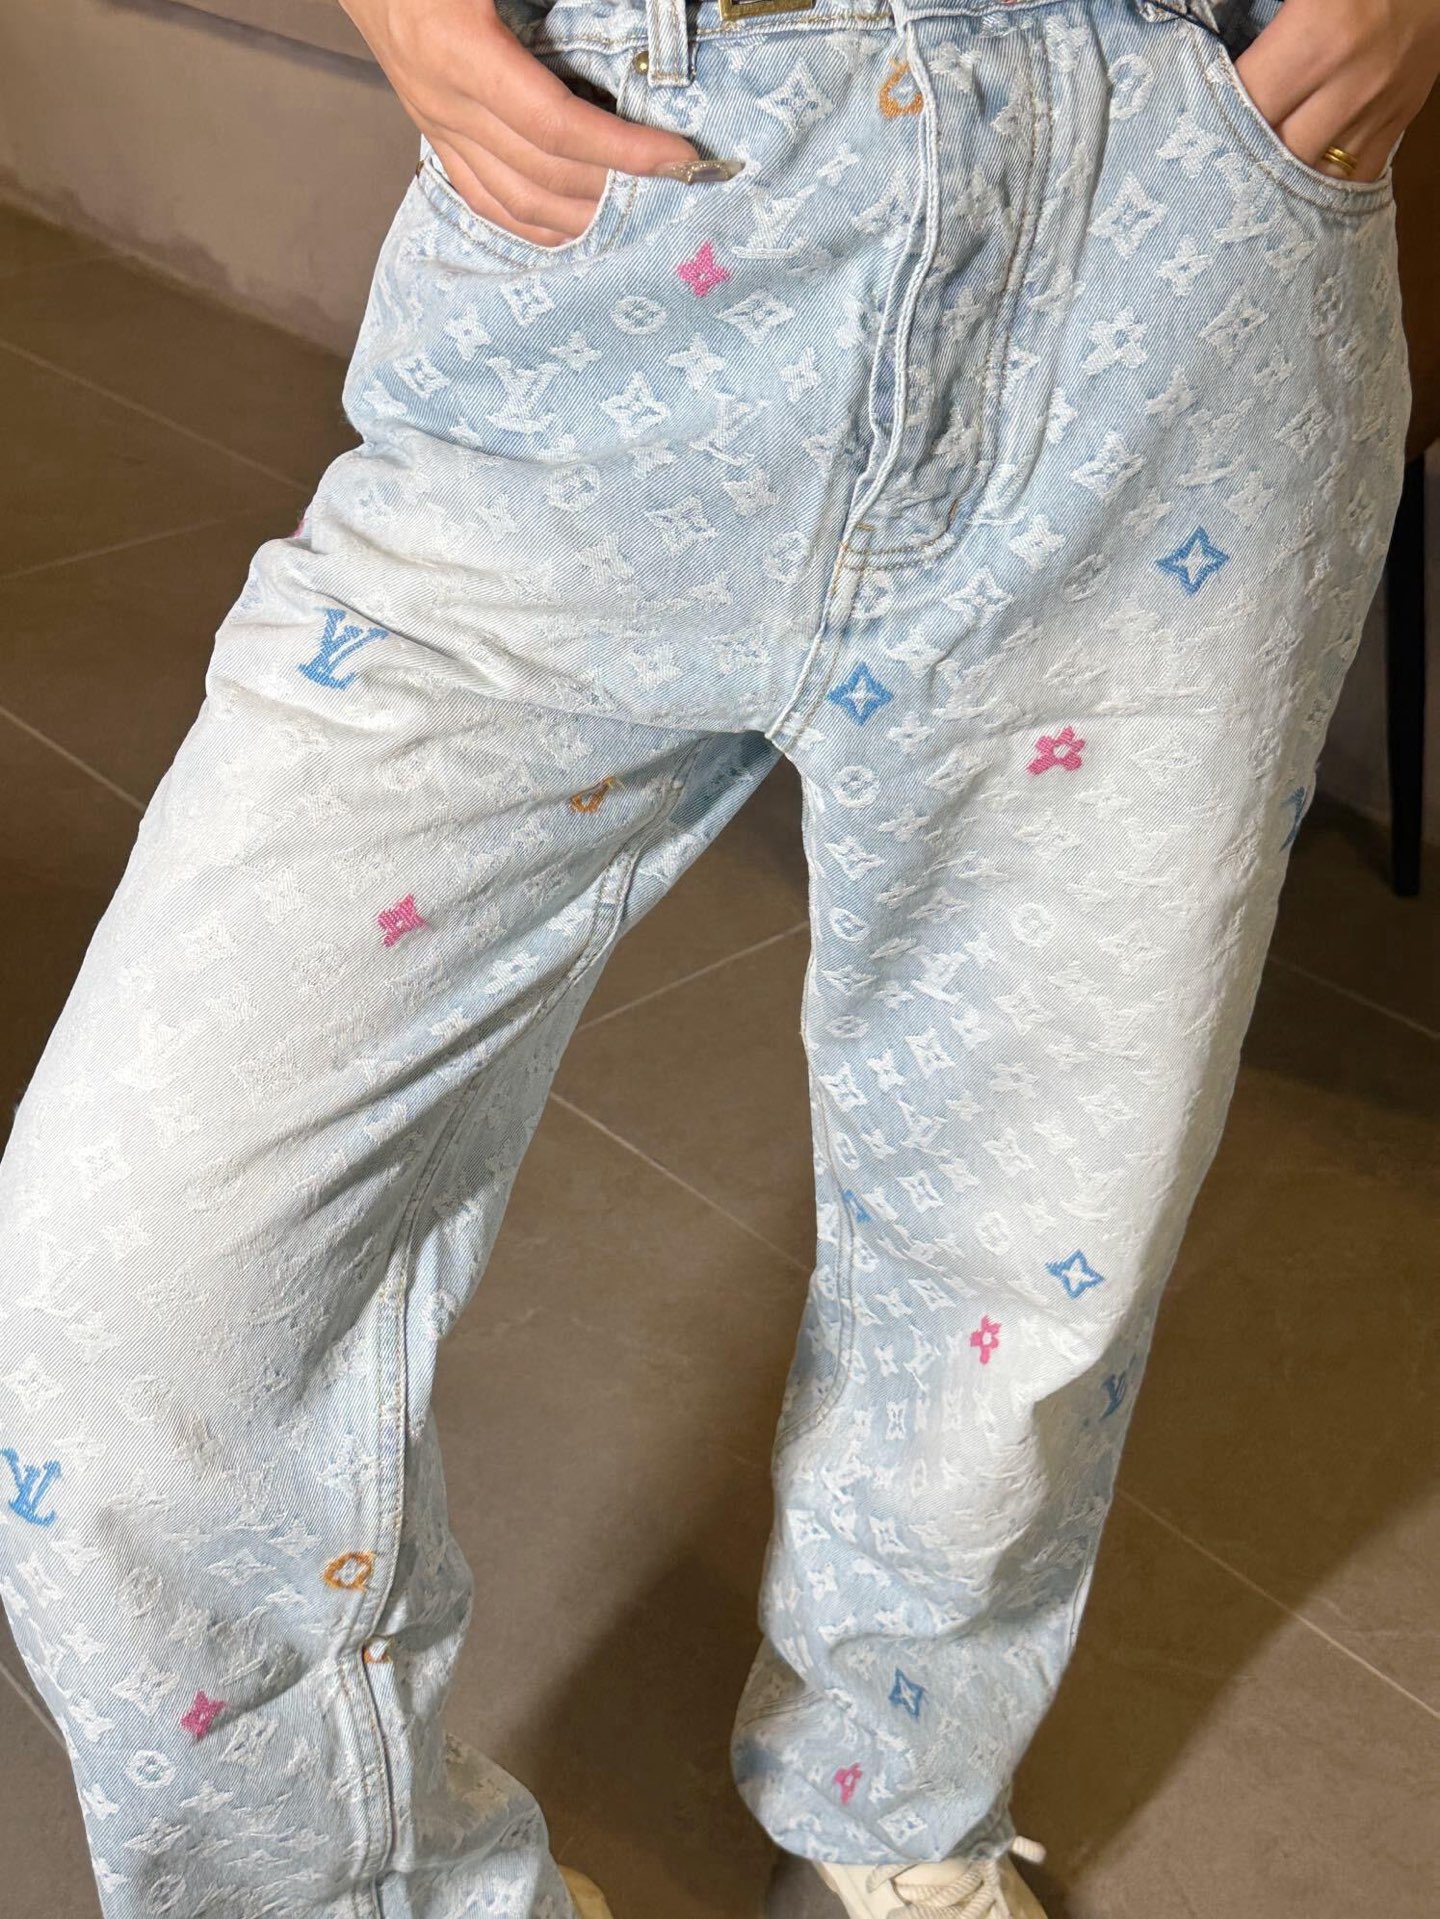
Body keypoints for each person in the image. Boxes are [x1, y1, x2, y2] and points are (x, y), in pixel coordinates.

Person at [0, 0, 1432, 1913]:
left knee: (1030, 1236)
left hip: (1171, 242)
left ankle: (891, 1801)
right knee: (130, 1288)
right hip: (606, 236)